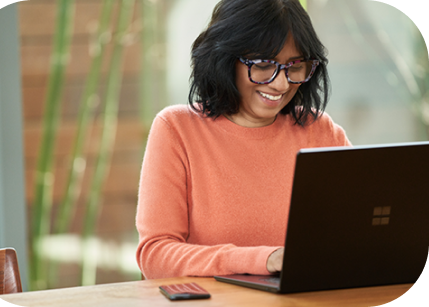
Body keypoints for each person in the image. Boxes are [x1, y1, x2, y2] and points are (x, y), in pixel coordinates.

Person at [136, 0, 351, 279]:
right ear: (224, 59)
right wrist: (263, 259)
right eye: (264, 65)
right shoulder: (177, 129)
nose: (281, 83)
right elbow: (155, 255)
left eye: (295, 66)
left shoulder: (321, 131)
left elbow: (355, 234)